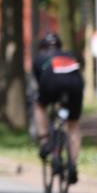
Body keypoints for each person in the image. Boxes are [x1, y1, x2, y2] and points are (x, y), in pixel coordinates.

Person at [32, 32, 84, 182]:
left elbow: (38, 82)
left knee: (39, 106)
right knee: (73, 125)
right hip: (75, 84)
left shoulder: (40, 58)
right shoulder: (69, 55)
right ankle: (73, 164)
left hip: (51, 81)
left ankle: (45, 141)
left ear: (42, 48)